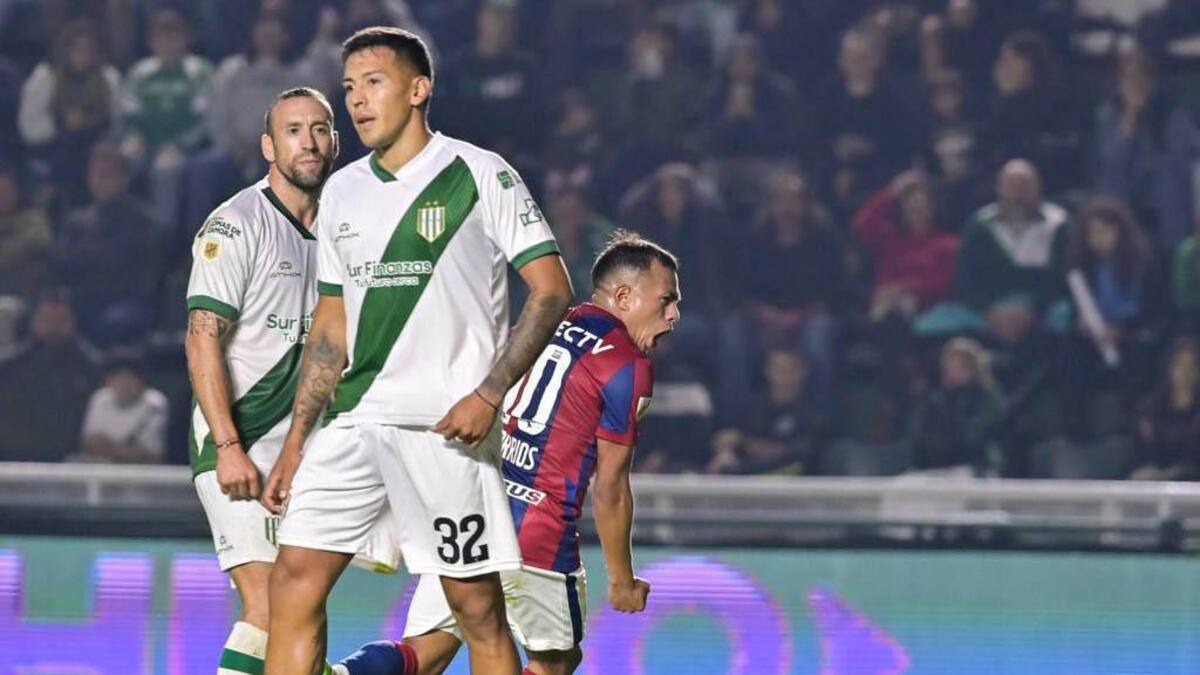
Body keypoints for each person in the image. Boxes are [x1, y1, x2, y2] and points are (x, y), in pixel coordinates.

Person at [261, 27, 572, 675]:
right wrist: (295, 441)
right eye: (349, 88)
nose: (357, 100)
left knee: (476, 609)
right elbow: (330, 325)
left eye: (373, 82)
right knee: (292, 577)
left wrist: (490, 393)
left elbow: (550, 290)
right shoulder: (342, 190)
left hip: (443, 426)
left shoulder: (479, 173)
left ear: (419, 88)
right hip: (354, 423)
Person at [332, 232, 677, 675]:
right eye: (666, 300)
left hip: (469, 512)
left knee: (426, 653)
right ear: (624, 296)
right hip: (538, 533)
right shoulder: (628, 364)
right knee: (556, 660)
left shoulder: (540, 324)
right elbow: (610, 487)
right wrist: (622, 581)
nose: (673, 315)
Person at [185, 87, 398, 675]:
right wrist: (228, 447)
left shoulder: (350, 225)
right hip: (243, 441)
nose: (309, 141)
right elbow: (202, 336)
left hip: (315, 451)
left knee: (303, 615)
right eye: (294, 130)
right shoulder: (237, 224)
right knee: (270, 606)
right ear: (268, 146)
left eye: (321, 129)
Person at [73, 353, 168, 464]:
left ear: (141, 381)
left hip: (140, 475)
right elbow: (88, 444)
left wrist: (108, 447)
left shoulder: (155, 403)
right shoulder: (100, 398)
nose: (124, 385)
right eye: (118, 378)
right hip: (99, 470)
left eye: (129, 378)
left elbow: (152, 456)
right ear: (108, 381)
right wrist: (127, 451)